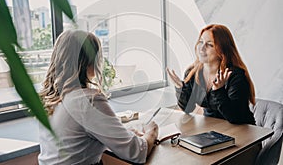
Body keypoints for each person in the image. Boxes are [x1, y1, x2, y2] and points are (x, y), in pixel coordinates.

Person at [38, 30, 158, 165]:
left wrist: (123, 134)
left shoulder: (51, 98)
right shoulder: (88, 100)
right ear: (89, 61)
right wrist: (151, 132)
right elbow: (136, 152)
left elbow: (77, 139)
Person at [167, 24, 255, 125]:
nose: (202, 48)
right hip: (212, 131)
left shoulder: (235, 76)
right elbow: (188, 108)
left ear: (222, 50)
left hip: (243, 132)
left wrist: (219, 91)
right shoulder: (193, 72)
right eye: (201, 42)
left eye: (210, 45)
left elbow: (235, 117)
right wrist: (180, 88)